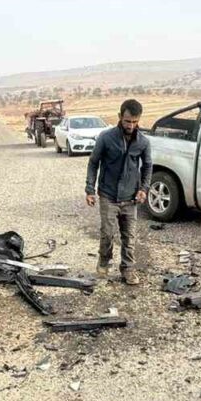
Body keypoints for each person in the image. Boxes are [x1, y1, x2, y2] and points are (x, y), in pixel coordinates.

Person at [85, 99, 152, 286]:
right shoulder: (106, 138)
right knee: (107, 233)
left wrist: (143, 189)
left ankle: (128, 268)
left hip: (131, 199)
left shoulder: (143, 142)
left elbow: (147, 166)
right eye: (127, 121)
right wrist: (90, 189)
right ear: (120, 117)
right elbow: (93, 162)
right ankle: (104, 261)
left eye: (135, 122)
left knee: (129, 236)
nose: (131, 126)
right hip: (108, 195)